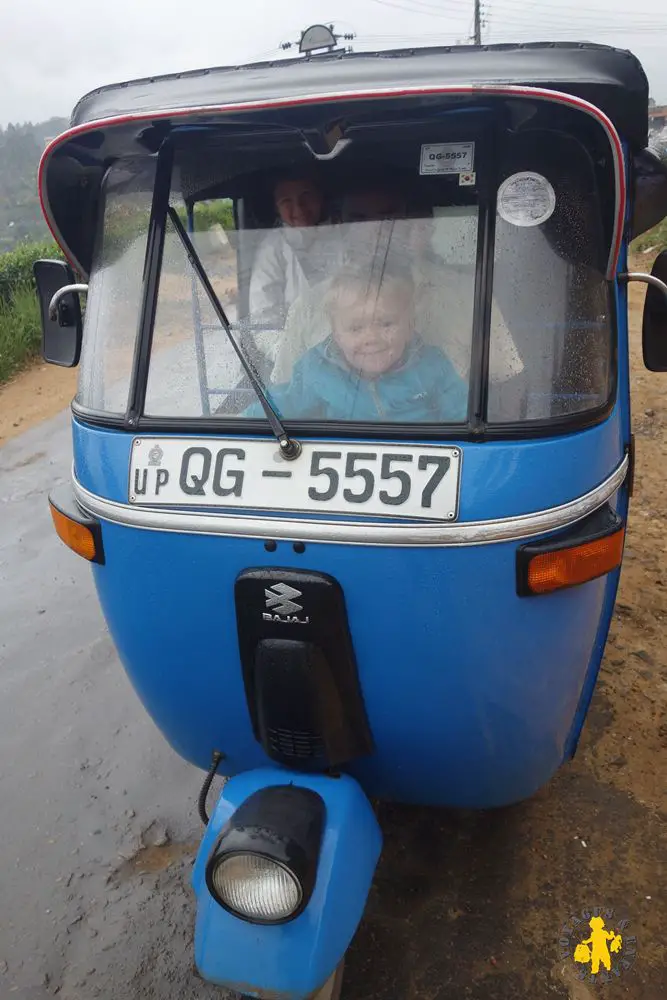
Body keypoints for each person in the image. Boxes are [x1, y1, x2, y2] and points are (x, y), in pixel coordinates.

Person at [246, 266, 467, 422]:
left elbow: (463, 415)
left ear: (409, 326)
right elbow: (284, 404)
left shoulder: (432, 365)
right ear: (336, 334)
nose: (371, 338)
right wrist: (240, 422)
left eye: (386, 323)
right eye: (355, 328)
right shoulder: (317, 369)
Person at [248, 171, 334, 325]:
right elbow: (264, 313)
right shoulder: (272, 247)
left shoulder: (341, 234)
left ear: (320, 198)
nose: (299, 207)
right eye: (286, 201)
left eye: (306, 195)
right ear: (276, 208)